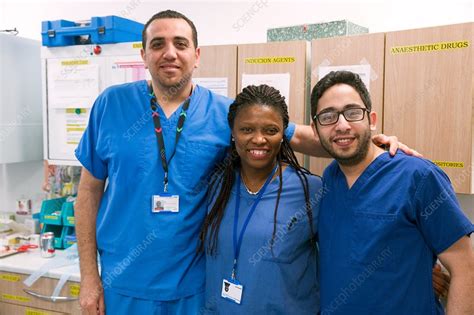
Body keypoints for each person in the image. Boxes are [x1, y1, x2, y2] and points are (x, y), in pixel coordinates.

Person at [74, 10, 410, 315]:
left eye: (180, 43)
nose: (170, 53)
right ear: (143, 54)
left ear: (197, 55)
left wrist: (369, 144)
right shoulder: (110, 106)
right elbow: (88, 193)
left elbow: (299, 136)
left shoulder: (225, 113)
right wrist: (89, 278)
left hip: (193, 288)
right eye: (158, 44)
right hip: (123, 286)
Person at [310, 70, 474, 314]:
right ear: (315, 129)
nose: (342, 125)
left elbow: (465, 268)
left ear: (372, 119)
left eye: (352, 112)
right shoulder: (328, 181)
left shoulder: (418, 176)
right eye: (328, 116)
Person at [199, 85, 322, 314]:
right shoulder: (217, 185)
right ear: (232, 133)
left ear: (283, 133)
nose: (259, 139)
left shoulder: (310, 190)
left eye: (271, 130)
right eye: (246, 129)